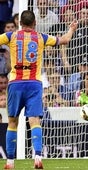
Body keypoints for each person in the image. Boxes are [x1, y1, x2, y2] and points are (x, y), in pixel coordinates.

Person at [0, 10, 77, 169]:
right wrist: (72, 28)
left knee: (13, 122)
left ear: (19, 24)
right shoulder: (41, 37)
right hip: (34, 83)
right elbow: (65, 39)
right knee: (34, 121)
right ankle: (37, 156)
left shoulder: (11, 36)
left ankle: (9, 162)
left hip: (15, 83)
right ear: (35, 23)